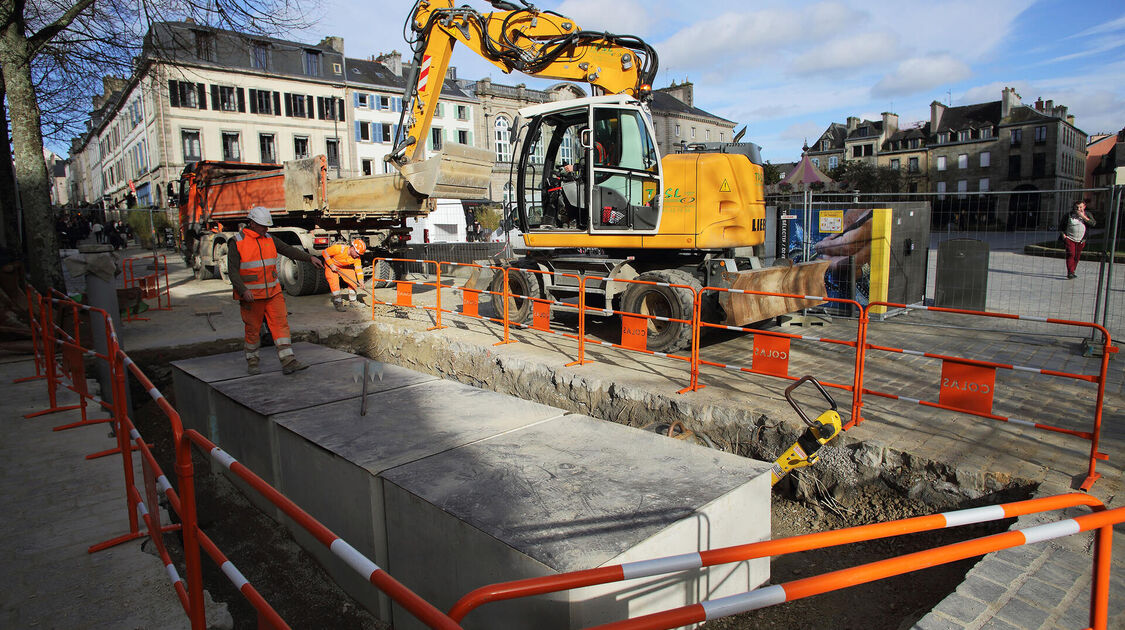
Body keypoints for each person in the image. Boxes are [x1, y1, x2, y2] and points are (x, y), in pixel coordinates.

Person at [228, 206, 325, 375]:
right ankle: (252, 361)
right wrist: (243, 290)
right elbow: (233, 271)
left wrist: (310, 258)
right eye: (262, 226)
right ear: (251, 223)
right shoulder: (237, 242)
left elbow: (288, 250)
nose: (266, 229)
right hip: (252, 296)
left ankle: (288, 360)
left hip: (273, 293)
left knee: (280, 325)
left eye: (267, 226)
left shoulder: (269, 239)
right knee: (253, 328)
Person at [322, 239, 366, 311]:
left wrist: (361, 281)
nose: (358, 255)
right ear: (352, 248)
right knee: (334, 282)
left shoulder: (357, 258)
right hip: (331, 266)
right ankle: (338, 303)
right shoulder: (338, 249)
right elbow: (325, 252)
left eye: (359, 254)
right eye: (357, 253)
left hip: (343, 266)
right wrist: (331, 264)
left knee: (353, 281)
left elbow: (358, 269)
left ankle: (353, 302)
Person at [1061, 199, 1095, 279]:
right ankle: (1070, 272)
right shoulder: (1069, 215)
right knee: (1071, 254)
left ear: (1084, 207)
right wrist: (1064, 236)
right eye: (1076, 207)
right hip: (1069, 238)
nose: (1078, 209)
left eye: (1080, 207)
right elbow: (1061, 226)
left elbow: (1093, 223)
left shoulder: (1087, 214)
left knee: (1077, 256)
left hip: (1081, 240)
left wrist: (1083, 217)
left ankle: (1073, 271)